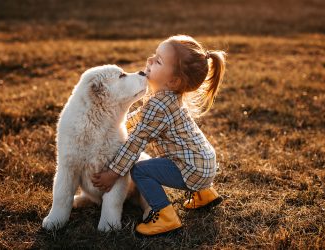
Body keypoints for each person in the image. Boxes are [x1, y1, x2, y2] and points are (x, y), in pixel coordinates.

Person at [91, 34, 226, 236]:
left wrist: (113, 173)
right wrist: (116, 126)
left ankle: (164, 215)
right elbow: (140, 118)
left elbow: (135, 143)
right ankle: (203, 194)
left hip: (194, 170)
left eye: (158, 61)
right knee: (176, 158)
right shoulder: (168, 99)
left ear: (173, 81)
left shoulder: (159, 106)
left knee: (140, 170)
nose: (149, 61)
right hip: (205, 163)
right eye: (154, 55)